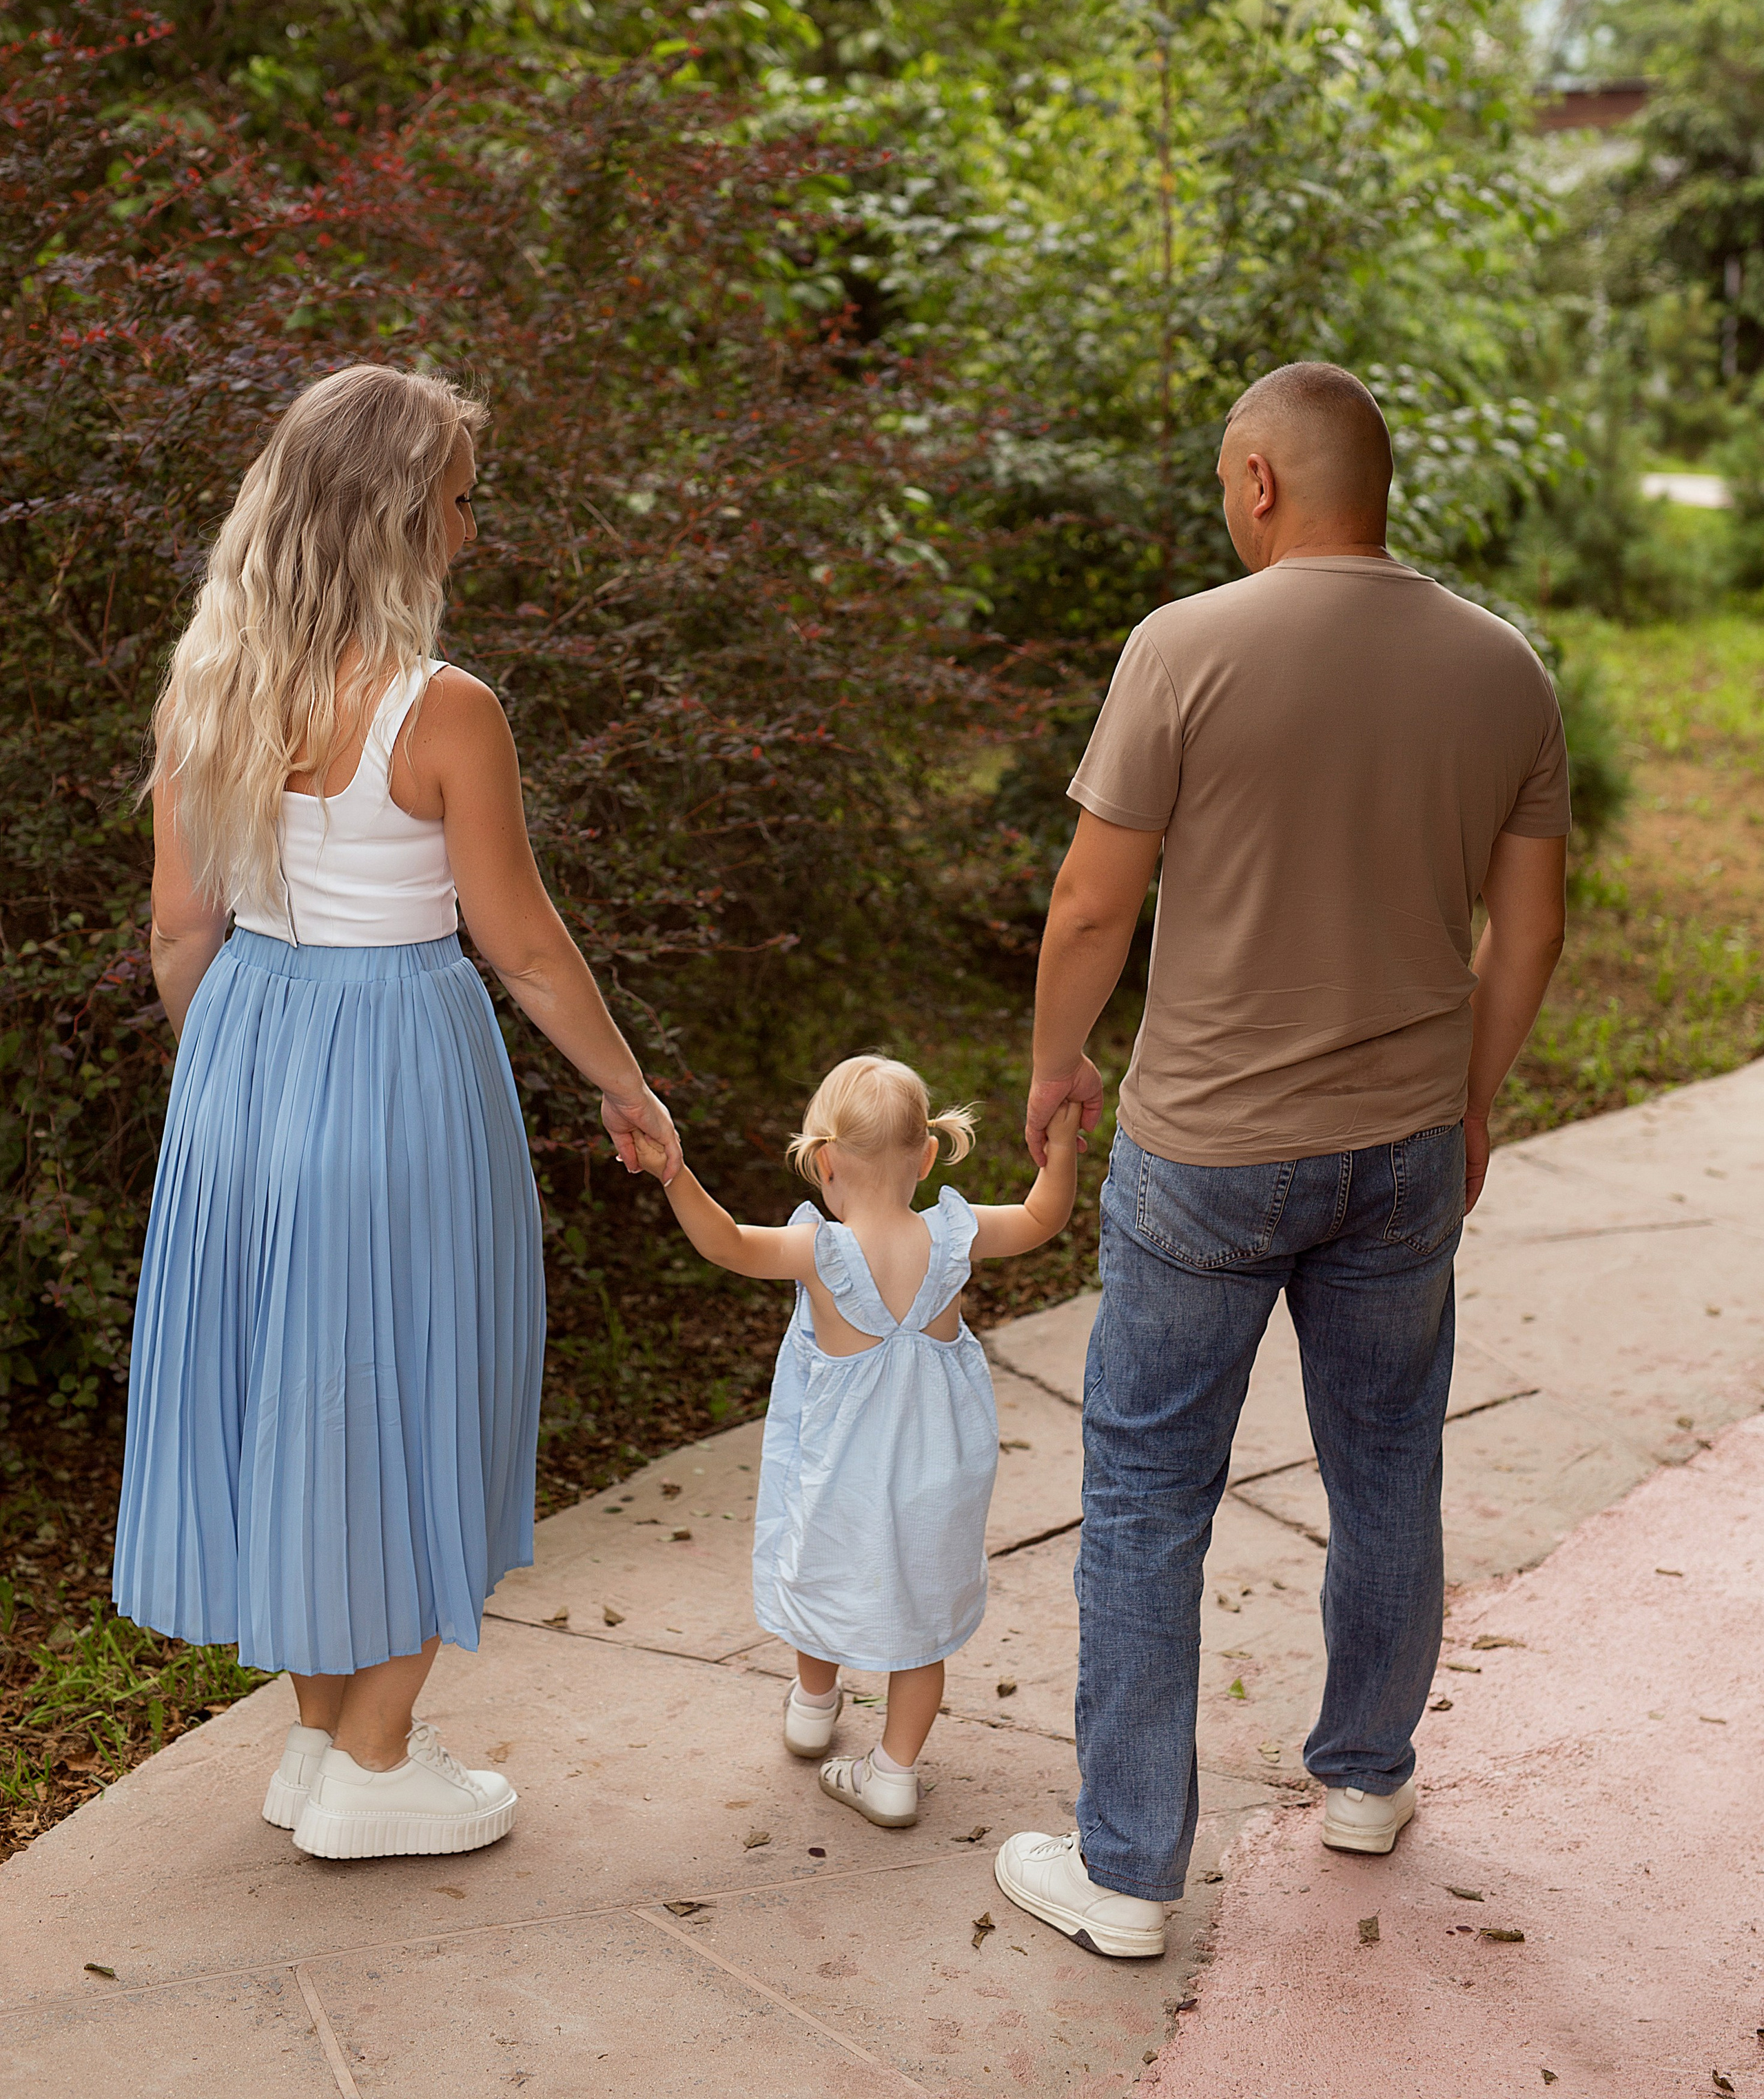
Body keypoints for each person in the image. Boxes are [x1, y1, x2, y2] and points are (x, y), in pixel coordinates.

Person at [992, 360, 1570, 1959]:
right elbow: (1528, 925)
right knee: (1386, 1464)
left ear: (1255, 476)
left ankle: (1122, 1870)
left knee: (1143, 1497)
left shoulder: (1181, 646)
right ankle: (1367, 1776)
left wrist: (1056, 1062)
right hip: (1395, 1150)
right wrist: (1468, 1094)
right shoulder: (1500, 666)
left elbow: (1090, 905)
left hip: (1202, 1156)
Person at [113, 362, 681, 1862]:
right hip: (395, 1062)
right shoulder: (443, 711)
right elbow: (525, 944)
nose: (471, 533)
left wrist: (231, 1087)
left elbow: (180, 932)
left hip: (243, 1051)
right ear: (392, 515)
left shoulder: (207, 686)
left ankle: (323, 1738)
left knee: (296, 1391)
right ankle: (371, 1756)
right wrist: (627, 1086)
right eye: (457, 501)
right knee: (429, 1376)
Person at [631, 1054, 1082, 1827]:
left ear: (824, 1160)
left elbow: (727, 1243)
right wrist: (1065, 1144)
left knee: (821, 1572)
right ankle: (894, 1772)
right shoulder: (954, 1236)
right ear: (928, 1154)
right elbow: (1045, 1217)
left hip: (842, 1478)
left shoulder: (821, 1253)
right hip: (938, 1477)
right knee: (922, 1623)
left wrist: (674, 1173)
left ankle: (813, 1704)